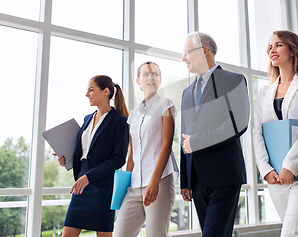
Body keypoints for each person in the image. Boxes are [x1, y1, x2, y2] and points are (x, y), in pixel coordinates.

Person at [179, 32, 250, 237]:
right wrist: (185, 180)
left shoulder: (234, 80)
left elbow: (238, 123)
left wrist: (198, 142)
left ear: (204, 51)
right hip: (197, 179)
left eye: (187, 52)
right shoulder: (187, 92)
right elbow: (185, 136)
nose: (183, 58)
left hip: (224, 173)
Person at [252, 30, 298, 236]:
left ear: (292, 49)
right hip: (275, 176)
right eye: (270, 47)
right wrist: (265, 169)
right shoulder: (264, 92)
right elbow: (256, 132)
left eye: (278, 45)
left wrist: (291, 165)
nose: (272, 49)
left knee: (291, 233)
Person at [56, 75, 129, 237]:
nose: (86, 94)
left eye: (90, 89)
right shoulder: (87, 119)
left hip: (103, 188)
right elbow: (83, 151)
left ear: (105, 91)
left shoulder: (119, 121)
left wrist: (89, 176)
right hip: (81, 186)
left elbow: (118, 158)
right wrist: (66, 158)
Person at [113, 62, 179, 237]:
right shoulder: (133, 115)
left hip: (159, 181)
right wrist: (125, 186)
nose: (151, 77)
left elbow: (167, 145)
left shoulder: (166, 104)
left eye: (155, 74)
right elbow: (133, 154)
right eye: (145, 74)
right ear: (138, 81)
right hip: (133, 186)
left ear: (160, 80)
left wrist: (154, 182)